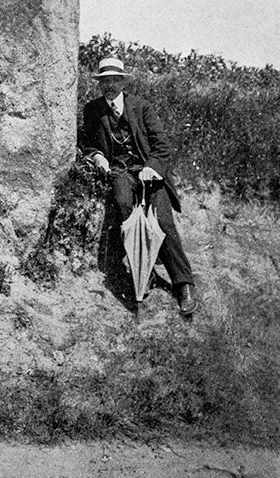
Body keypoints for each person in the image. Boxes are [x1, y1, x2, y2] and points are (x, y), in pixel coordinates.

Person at [83, 57, 197, 315]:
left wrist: (152, 168)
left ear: (123, 81)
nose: (110, 85)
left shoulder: (141, 107)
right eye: (105, 81)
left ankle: (184, 285)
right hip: (120, 172)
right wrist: (97, 156)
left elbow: (162, 146)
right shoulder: (92, 110)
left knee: (163, 222)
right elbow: (87, 143)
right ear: (99, 84)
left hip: (149, 174)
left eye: (114, 80)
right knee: (124, 209)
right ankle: (144, 272)